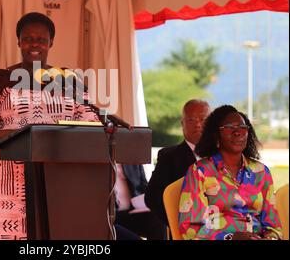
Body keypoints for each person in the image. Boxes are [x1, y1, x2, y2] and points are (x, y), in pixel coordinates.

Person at [0, 12, 100, 240]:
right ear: (18, 41)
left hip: (59, 181)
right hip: (6, 184)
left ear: (51, 43)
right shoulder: (0, 81)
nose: (34, 43)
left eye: (41, 39)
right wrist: (22, 136)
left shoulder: (68, 81)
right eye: (28, 38)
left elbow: (92, 124)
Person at [178, 105, 282, 240]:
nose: (237, 132)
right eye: (229, 128)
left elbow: (273, 225)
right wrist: (230, 237)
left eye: (242, 127)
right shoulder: (200, 171)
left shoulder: (261, 172)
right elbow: (190, 229)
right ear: (216, 136)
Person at [145, 99, 210, 226]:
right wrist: (177, 224)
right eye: (191, 120)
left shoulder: (221, 156)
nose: (197, 124)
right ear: (182, 124)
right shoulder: (169, 157)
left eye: (203, 119)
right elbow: (152, 198)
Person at [115, 163, 167, 239]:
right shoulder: (98, 162)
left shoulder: (132, 160)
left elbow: (144, 187)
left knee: (158, 217)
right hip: (111, 217)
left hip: (132, 212)